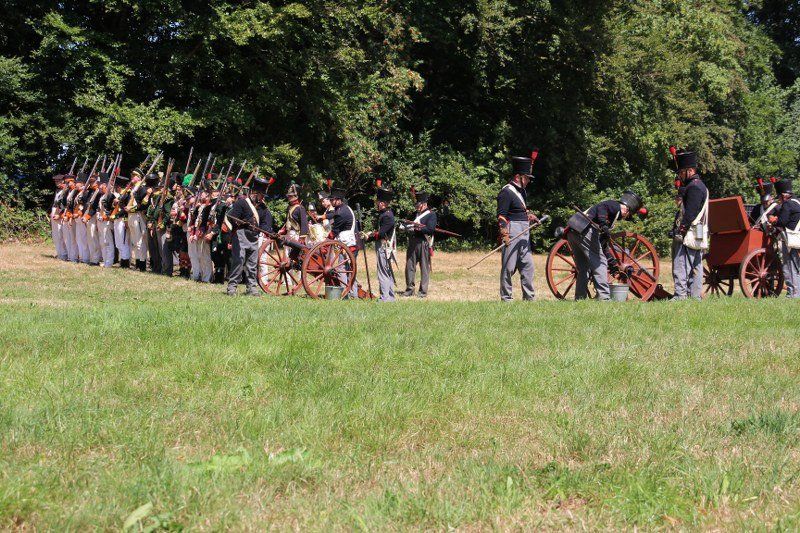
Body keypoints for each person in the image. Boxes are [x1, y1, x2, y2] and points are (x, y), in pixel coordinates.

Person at [566, 191, 643, 300]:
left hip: (573, 231)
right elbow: (602, 207)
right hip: (585, 230)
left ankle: (580, 298)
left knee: (583, 267)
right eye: (628, 215)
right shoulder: (615, 206)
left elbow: (602, 244)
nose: (625, 218)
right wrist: (603, 225)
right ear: (626, 209)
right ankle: (604, 297)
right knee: (601, 263)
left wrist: (611, 261)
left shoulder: (612, 214)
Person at [497, 156, 539, 301]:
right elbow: (501, 216)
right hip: (512, 231)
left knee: (528, 266)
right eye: (526, 178)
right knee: (508, 267)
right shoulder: (506, 192)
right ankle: (506, 298)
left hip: (524, 231)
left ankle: (529, 298)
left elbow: (521, 211)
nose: (528, 181)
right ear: (517, 177)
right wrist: (504, 233)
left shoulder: (522, 192)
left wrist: (529, 216)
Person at [225, 176, 273, 296]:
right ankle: (232, 287)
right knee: (239, 261)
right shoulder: (241, 203)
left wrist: (269, 232)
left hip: (254, 237)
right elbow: (232, 218)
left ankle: (252, 288)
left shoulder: (263, 208)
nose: (262, 198)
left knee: (252, 264)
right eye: (261, 195)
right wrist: (241, 222)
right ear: (255, 193)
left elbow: (265, 225)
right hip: (241, 235)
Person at [671, 150, 709, 300]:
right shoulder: (698, 185)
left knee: (681, 263)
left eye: (682, 172)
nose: (680, 176)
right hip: (697, 230)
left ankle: (680, 295)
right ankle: (694, 296)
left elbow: (690, 213)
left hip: (689, 231)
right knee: (696, 264)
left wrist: (680, 231)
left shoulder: (694, 187)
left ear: (690, 171)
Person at [361, 185, 396, 301]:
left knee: (383, 272)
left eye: (378, 202)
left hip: (383, 247)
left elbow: (381, 234)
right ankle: (390, 297)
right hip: (383, 245)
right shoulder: (385, 214)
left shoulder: (387, 216)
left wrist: (369, 236)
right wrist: (369, 235)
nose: (377, 204)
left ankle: (385, 297)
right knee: (386, 271)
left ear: (382, 203)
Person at [768, 178, 800, 298]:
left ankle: (793, 293)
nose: (779, 200)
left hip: (790, 239)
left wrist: (773, 221)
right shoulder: (797, 202)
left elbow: (782, 221)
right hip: (797, 238)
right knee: (796, 266)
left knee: (789, 266)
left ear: (783, 195)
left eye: (779, 197)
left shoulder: (788, 204)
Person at [401, 192, 437, 298]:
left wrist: (416, 228)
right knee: (409, 266)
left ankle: (422, 291)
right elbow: (407, 224)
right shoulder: (414, 214)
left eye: (418, 204)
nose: (416, 206)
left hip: (423, 242)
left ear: (424, 204)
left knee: (424, 268)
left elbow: (430, 229)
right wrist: (405, 227)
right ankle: (409, 289)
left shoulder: (431, 214)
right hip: (412, 242)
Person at [329, 188, 360, 298]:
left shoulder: (341, 213)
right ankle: (353, 294)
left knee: (342, 268)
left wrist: (326, 241)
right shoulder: (345, 208)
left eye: (332, 200)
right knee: (350, 269)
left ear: (338, 200)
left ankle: (344, 293)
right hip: (349, 242)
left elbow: (334, 231)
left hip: (348, 243)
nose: (331, 202)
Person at [126, 171, 153, 272]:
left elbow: (143, 205)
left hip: (138, 216)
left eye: (134, 176)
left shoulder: (143, 189)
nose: (132, 177)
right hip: (131, 216)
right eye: (132, 175)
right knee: (134, 241)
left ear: (139, 177)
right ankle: (137, 262)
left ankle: (142, 264)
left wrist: (131, 209)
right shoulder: (134, 188)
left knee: (140, 241)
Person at [109, 175, 132, 269]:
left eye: (116, 186)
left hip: (122, 220)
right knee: (118, 242)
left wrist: (117, 216)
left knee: (123, 242)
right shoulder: (120, 195)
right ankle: (123, 260)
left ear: (119, 187)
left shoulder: (127, 195)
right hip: (117, 220)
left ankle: (125, 263)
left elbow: (126, 209)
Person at [50, 174, 68, 261]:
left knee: (61, 235)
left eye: (58, 181)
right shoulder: (58, 191)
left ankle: (64, 254)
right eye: (56, 181)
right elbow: (55, 203)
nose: (56, 183)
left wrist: (60, 214)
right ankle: (59, 253)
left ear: (63, 181)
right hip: (55, 212)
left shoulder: (66, 191)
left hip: (60, 214)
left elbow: (66, 205)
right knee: (56, 235)